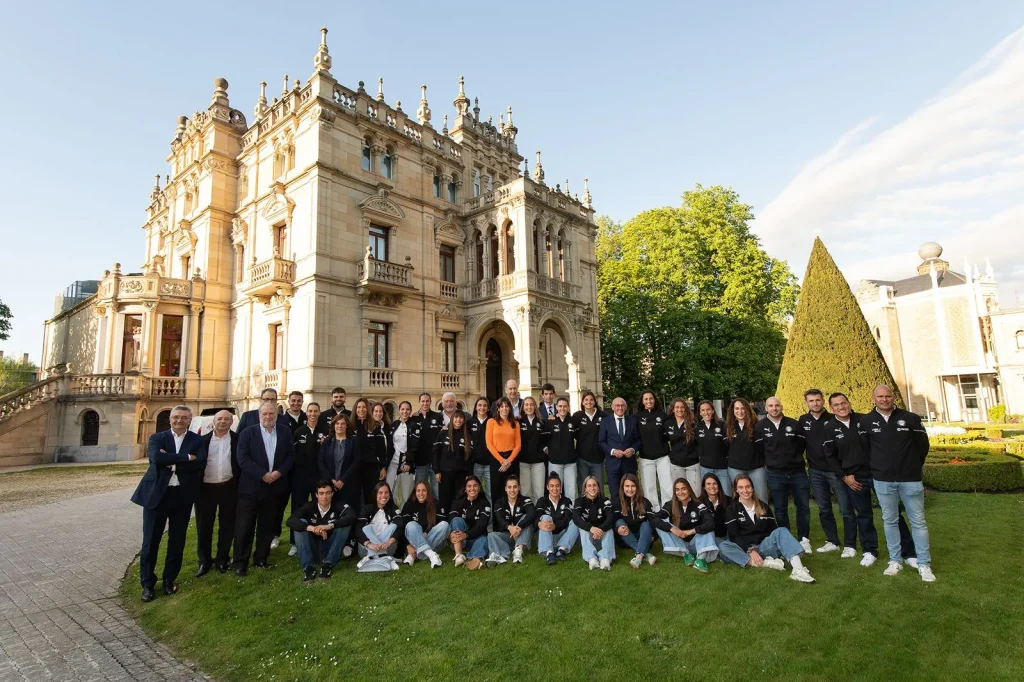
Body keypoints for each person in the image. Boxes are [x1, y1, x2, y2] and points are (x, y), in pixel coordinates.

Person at [858, 385, 935, 582]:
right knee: (889, 521)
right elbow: (866, 450)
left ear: (893, 397)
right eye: (880, 396)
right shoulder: (866, 421)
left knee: (918, 521)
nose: (884, 399)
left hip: (910, 479)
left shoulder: (910, 418)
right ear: (873, 398)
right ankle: (895, 560)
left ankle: (924, 563)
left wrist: (911, 466)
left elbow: (922, 446)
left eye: (888, 396)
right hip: (883, 481)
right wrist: (879, 468)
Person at [131, 405, 206, 601]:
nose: (179, 420)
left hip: (181, 495)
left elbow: (200, 463)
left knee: (177, 540)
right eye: (176, 417)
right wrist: (186, 458)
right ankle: (147, 585)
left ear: (190, 420)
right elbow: (156, 458)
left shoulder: (197, 440)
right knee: (150, 542)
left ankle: (168, 580)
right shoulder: (158, 438)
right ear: (170, 419)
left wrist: (171, 460)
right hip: (157, 494)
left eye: (183, 417)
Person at [233, 402, 295, 575]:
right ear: (259, 415)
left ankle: (261, 558)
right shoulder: (247, 433)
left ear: (276, 414)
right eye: (265, 414)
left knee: (267, 527)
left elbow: (290, 455)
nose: (268, 416)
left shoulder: (284, 431)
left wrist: (278, 472)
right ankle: (240, 562)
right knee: (244, 527)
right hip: (251, 488)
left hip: (274, 488)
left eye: (271, 413)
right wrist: (262, 474)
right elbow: (242, 458)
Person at [719, 474, 816, 583]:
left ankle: (798, 569)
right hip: (743, 548)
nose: (745, 490)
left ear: (752, 487)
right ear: (736, 490)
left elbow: (773, 531)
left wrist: (772, 545)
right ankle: (764, 563)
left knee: (781, 531)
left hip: (763, 547)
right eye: (741, 487)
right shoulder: (732, 509)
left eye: (748, 486)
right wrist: (749, 550)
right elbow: (734, 536)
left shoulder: (763, 506)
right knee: (723, 546)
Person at [823, 392, 881, 566]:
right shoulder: (830, 427)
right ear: (831, 408)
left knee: (892, 514)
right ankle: (870, 550)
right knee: (864, 515)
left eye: (843, 403)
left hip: (878, 475)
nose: (841, 407)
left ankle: (905, 551)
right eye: (837, 405)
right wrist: (844, 477)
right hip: (855, 479)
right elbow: (830, 456)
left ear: (848, 402)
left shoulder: (864, 420)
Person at [756, 397, 813, 555]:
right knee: (780, 509)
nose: (774, 408)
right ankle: (786, 538)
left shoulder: (793, 424)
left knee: (803, 507)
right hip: (775, 473)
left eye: (777, 405)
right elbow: (760, 450)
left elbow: (801, 445)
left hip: (797, 472)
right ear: (766, 408)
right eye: (771, 406)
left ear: (781, 406)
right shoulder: (760, 427)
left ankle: (804, 538)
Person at [799, 388, 850, 555]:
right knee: (824, 508)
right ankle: (832, 541)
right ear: (806, 403)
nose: (815, 403)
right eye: (811, 401)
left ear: (823, 401)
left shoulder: (833, 418)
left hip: (835, 471)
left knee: (845, 508)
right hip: (815, 471)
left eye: (818, 400)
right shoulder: (803, 420)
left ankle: (850, 544)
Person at [195, 409, 239, 577]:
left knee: (227, 526)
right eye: (219, 419)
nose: (223, 421)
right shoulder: (202, 441)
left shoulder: (237, 440)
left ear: (231, 422)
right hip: (206, 489)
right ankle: (204, 561)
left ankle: (222, 559)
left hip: (228, 487)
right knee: (204, 526)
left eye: (226, 419)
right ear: (213, 421)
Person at [286, 480, 356, 581]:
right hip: (312, 549)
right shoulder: (310, 506)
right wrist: (312, 528)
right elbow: (290, 520)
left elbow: (352, 516)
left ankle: (328, 564)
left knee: (344, 524)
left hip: (331, 548)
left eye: (328, 493)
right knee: (300, 523)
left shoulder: (338, 505)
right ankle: (308, 567)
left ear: (332, 494)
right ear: (316, 495)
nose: (325, 497)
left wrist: (329, 526)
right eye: (321, 493)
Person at [287, 402, 327, 557]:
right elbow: (292, 454)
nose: (313, 414)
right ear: (307, 413)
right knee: (298, 508)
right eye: (310, 411)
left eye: (315, 411)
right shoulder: (298, 432)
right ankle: (294, 542)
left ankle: (319, 538)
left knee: (320, 508)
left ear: (319, 413)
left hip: (319, 477)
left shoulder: (325, 432)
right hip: (301, 477)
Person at [655, 478, 718, 573]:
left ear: (689, 489)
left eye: (683, 488)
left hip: (696, 543)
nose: (680, 492)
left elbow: (711, 523)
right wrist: (672, 529)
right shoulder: (671, 504)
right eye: (677, 489)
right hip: (679, 541)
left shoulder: (698, 504)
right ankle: (686, 555)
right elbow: (655, 518)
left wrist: (692, 531)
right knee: (660, 525)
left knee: (709, 529)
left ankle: (700, 560)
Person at [487, 475, 535, 566]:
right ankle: (500, 555)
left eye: (515, 487)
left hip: (522, 534)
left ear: (519, 488)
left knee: (526, 519)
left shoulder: (526, 500)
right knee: (491, 535)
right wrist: (509, 527)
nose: (512, 490)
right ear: (505, 489)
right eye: (509, 487)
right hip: (507, 535)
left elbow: (531, 513)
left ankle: (518, 550)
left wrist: (519, 526)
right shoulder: (499, 502)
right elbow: (500, 519)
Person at [634, 390, 671, 510]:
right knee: (649, 488)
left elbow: (668, 435)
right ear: (642, 401)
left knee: (667, 486)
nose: (649, 401)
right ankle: (654, 512)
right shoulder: (637, 416)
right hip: (646, 458)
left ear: (655, 400)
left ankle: (668, 510)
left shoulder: (663, 415)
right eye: (646, 399)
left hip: (663, 457)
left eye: (651, 398)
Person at [400, 481, 450, 568]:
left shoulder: (436, 504)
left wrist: (426, 533)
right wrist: (407, 546)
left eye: (424, 490)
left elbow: (440, 525)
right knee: (411, 525)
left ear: (428, 492)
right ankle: (431, 555)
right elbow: (402, 528)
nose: (421, 493)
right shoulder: (409, 505)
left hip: (433, 540)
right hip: (412, 542)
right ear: (415, 492)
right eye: (418, 490)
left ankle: (413, 555)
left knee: (445, 525)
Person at [598, 397, 640, 500]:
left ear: (625, 408)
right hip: (613, 463)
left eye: (622, 406)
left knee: (630, 492)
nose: (620, 408)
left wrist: (633, 449)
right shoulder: (605, 422)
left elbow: (638, 440)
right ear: (612, 407)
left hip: (629, 464)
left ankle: (631, 514)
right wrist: (612, 451)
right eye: (617, 405)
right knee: (615, 493)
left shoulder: (632, 421)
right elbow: (601, 442)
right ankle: (617, 514)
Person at [355, 481, 404, 569]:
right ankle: (386, 559)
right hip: (367, 548)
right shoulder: (367, 508)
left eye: (386, 492)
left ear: (390, 494)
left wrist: (390, 541)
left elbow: (400, 525)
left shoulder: (393, 508)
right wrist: (369, 544)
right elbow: (358, 529)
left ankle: (371, 558)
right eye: (380, 492)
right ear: (375, 494)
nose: (383, 495)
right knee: (367, 528)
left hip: (387, 547)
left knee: (393, 526)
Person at [725, 398, 767, 501]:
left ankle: (762, 517)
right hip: (736, 469)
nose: (740, 411)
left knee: (761, 499)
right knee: (740, 500)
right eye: (737, 408)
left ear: (747, 409)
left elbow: (763, 447)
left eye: (743, 408)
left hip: (756, 468)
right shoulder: (727, 427)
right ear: (732, 410)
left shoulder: (757, 425)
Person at [612, 473, 657, 570]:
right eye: (627, 486)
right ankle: (644, 554)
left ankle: (638, 557)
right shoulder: (617, 502)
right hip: (624, 539)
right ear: (622, 487)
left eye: (633, 486)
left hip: (644, 538)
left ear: (637, 487)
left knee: (646, 524)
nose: (630, 489)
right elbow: (612, 521)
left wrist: (654, 535)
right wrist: (617, 530)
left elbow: (653, 520)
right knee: (619, 522)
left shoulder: (645, 502)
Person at [448, 476, 491, 570]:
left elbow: (482, 526)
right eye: (469, 486)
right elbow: (451, 518)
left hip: (475, 537)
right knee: (456, 520)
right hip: (460, 538)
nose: (472, 489)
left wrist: (466, 535)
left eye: (475, 486)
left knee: (485, 540)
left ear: (479, 487)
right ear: (465, 488)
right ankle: (458, 554)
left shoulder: (485, 504)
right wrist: (452, 533)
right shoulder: (458, 501)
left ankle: (473, 558)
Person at [433, 410, 473, 513]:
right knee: (445, 500)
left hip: (460, 474)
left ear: (464, 420)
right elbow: (436, 453)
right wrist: (436, 471)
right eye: (456, 417)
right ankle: (445, 524)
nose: (458, 420)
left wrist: (469, 473)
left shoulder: (467, 435)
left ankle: (456, 523)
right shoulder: (443, 433)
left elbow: (470, 457)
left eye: (461, 418)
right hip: (445, 474)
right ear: (452, 419)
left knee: (458, 500)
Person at [535, 472, 579, 564]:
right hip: (546, 535)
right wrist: (539, 523)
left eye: (557, 486)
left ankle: (561, 549)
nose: (555, 489)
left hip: (562, 536)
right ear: (547, 487)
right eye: (552, 486)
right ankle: (549, 553)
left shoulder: (567, 501)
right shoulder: (542, 501)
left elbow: (567, 519)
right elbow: (536, 518)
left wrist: (555, 525)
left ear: (561, 487)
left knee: (576, 522)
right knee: (545, 517)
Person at [573, 475, 616, 570]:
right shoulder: (579, 501)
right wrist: (590, 528)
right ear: (585, 488)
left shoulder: (605, 500)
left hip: (601, 537)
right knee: (582, 528)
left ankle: (605, 559)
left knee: (609, 529)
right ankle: (591, 559)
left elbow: (611, 517)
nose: (592, 488)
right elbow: (575, 517)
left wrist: (601, 529)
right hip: (587, 539)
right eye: (589, 486)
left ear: (598, 487)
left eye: (594, 485)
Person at [352, 398, 389, 505]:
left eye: (364, 407)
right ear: (355, 409)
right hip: (354, 468)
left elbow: (382, 450)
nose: (361, 410)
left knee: (371, 495)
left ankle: (370, 518)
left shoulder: (375, 426)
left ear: (368, 409)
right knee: (356, 495)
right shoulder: (350, 426)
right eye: (359, 407)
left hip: (371, 468)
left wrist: (383, 467)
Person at [318, 413, 359, 509]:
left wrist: (342, 480)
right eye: (337, 423)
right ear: (333, 425)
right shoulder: (327, 441)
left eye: (342, 423)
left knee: (347, 510)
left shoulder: (353, 441)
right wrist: (331, 480)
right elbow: (320, 461)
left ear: (347, 426)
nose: (340, 426)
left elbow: (356, 461)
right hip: (330, 483)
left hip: (348, 483)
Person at [486, 397, 521, 504]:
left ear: (510, 408)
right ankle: (498, 519)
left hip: (512, 460)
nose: (504, 409)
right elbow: (489, 444)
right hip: (497, 460)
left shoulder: (515, 423)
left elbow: (518, 445)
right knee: (497, 490)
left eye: (507, 406)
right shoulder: (491, 422)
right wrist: (502, 461)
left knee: (512, 490)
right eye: (502, 406)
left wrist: (509, 461)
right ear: (498, 408)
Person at [663, 399, 700, 495]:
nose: (680, 409)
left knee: (695, 493)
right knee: (680, 493)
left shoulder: (693, 423)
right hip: (676, 465)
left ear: (686, 409)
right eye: (677, 407)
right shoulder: (668, 423)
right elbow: (663, 440)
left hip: (692, 464)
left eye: (682, 407)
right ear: (673, 409)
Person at [572, 390, 605, 498]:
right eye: (586, 400)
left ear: (594, 401)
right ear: (582, 402)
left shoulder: (603, 416)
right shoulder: (577, 416)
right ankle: (583, 511)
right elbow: (568, 428)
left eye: (591, 399)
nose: (589, 402)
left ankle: (601, 510)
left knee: (598, 487)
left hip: (598, 459)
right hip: (582, 458)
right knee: (583, 487)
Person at [517, 397, 550, 500]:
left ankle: (539, 515)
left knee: (539, 492)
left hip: (538, 463)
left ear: (535, 406)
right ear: (523, 407)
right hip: (523, 462)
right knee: (525, 492)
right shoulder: (518, 422)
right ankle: (528, 515)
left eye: (531, 404)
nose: (529, 407)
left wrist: (545, 448)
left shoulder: (542, 422)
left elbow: (545, 440)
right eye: (526, 405)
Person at [695, 401, 731, 496]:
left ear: (713, 411)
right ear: (700, 412)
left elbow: (728, 444)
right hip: (705, 468)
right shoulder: (697, 427)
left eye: (708, 409)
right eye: (703, 410)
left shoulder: (722, 424)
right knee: (709, 496)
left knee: (726, 494)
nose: (706, 412)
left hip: (722, 468)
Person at [412, 393, 443, 497]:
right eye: (423, 401)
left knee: (437, 491)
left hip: (435, 461)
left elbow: (441, 437)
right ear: (419, 402)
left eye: (427, 401)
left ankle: (438, 512)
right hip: (421, 461)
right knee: (420, 490)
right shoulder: (414, 418)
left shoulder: (437, 417)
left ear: (430, 402)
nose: (425, 403)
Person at [546, 397, 578, 499]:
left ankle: (571, 513)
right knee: (555, 490)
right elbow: (543, 438)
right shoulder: (550, 422)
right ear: (556, 407)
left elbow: (579, 438)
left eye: (565, 406)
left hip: (570, 463)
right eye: (560, 406)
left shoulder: (573, 422)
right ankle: (556, 513)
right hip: (555, 463)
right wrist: (545, 449)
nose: (562, 408)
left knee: (571, 490)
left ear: (568, 408)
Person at [698, 473, 734, 562]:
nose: (712, 486)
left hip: (727, 536)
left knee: (728, 545)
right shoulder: (698, 502)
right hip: (709, 538)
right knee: (725, 547)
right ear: (704, 487)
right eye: (708, 484)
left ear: (719, 485)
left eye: (714, 483)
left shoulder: (729, 500)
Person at [387, 400, 418, 503]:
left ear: (410, 411)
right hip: (393, 461)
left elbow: (415, 446)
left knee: (406, 492)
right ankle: (393, 513)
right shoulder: (394, 425)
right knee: (390, 488)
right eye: (402, 409)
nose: (405, 411)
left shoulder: (414, 426)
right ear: (399, 411)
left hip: (406, 462)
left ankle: (406, 515)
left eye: (407, 409)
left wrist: (409, 463)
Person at [467, 397, 493, 501]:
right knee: (473, 492)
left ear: (488, 408)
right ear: (476, 407)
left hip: (489, 464)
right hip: (475, 464)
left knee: (490, 492)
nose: (482, 407)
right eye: (480, 405)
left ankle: (491, 517)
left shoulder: (492, 421)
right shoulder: (469, 422)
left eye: (485, 405)